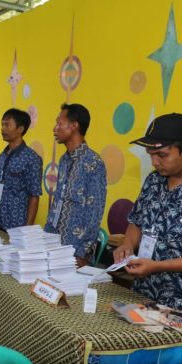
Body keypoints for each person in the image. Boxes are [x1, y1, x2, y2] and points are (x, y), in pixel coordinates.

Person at [113, 113, 182, 327]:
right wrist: (127, 245)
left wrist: (159, 266)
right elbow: (137, 221)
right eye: (151, 155)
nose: (155, 162)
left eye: (162, 155)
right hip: (144, 298)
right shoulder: (153, 181)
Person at [44, 103, 106, 267]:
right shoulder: (64, 160)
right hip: (54, 246)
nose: (54, 128)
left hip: (75, 253)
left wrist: (82, 253)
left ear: (74, 126)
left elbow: (95, 212)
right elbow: (58, 203)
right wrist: (46, 237)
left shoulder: (93, 162)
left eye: (59, 123)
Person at [0, 108, 42, 231]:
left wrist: (28, 228)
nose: (2, 128)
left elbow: (34, 195)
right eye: (2, 124)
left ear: (20, 129)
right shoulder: (2, 155)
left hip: (16, 224)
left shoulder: (31, 158)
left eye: (7, 125)